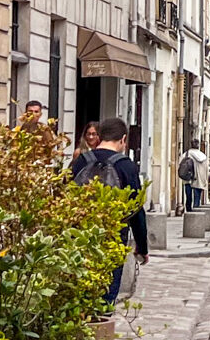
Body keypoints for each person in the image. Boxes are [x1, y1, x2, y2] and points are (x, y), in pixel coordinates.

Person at [73, 117, 148, 307]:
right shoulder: (126, 166)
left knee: (80, 289)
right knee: (107, 293)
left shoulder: (81, 160)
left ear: (99, 137)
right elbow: (136, 210)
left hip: (81, 233)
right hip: (113, 234)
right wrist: (142, 247)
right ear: (123, 139)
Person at [179, 140, 209, 211]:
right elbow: (206, 169)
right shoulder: (203, 156)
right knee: (197, 198)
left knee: (188, 198)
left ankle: (189, 213)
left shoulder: (186, 154)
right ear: (198, 146)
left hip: (188, 179)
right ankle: (196, 213)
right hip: (199, 180)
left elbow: (180, 164)